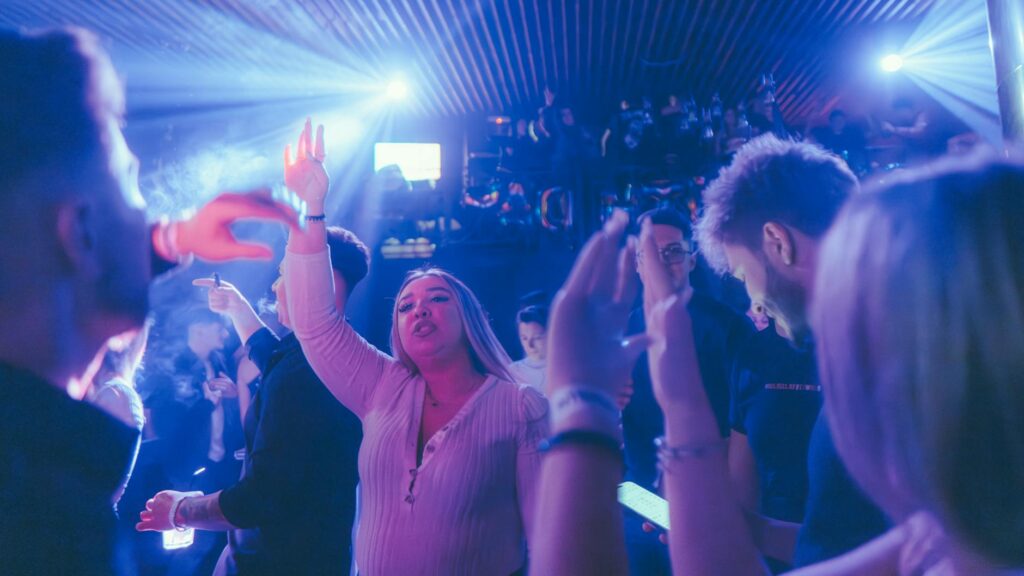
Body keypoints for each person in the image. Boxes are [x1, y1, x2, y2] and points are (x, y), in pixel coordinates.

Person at [0, 26, 301, 576]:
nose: (152, 219)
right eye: (132, 189)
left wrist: (172, 238)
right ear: (80, 233)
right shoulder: (43, 524)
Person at [282, 119, 548, 575]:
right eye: (405, 306)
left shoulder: (519, 406)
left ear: (469, 318)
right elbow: (314, 321)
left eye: (437, 299)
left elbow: (547, 539)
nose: (419, 310)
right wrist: (311, 205)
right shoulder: (383, 386)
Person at [137, 226, 368, 576]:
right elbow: (276, 360)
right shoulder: (322, 355)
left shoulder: (308, 372)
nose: (275, 287)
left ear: (323, 280)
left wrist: (179, 511)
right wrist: (239, 309)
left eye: (283, 273)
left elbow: (262, 496)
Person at [622, 206, 751, 575]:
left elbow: (745, 425)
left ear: (692, 259)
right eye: (650, 253)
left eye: (673, 252)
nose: (662, 262)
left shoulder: (729, 328)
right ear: (637, 263)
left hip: (709, 501)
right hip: (639, 499)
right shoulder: (623, 329)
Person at [508, 304, 548, 393]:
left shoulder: (565, 367)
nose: (530, 345)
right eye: (524, 338)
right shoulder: (513, 372)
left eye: (537, 337)